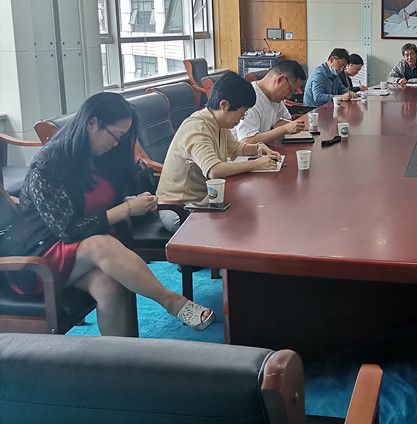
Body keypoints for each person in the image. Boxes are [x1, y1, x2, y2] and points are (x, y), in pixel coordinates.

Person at [0, 92, 214, 335]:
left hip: (76, 254)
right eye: (116, 136)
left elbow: (99, 203)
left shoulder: (101, 157)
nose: (116, 144)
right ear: (92, 124)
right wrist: (125, 210)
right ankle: (173, 302)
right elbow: (68, 231)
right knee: (100, 244)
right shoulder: (48, 165)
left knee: (110, 286)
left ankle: (120, 356)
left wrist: (127, 202)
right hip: (37, 257)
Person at [157, 72, 281, 206]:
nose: (242, 118)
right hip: (180, 207)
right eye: (242, 113)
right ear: (224, 104)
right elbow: (214, 170)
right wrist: (257, 164)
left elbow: (236, 149)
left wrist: (257, 148)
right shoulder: (198, 127)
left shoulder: (219, 123)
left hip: (206, 198)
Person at [234, 60, 307, 145]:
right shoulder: (250, 97)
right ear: (280, 79)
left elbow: (284, 121)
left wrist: (297, 127)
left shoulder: (275, 98)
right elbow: (247, 141)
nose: (289, 97)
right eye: (291, 91)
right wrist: (284, 129)